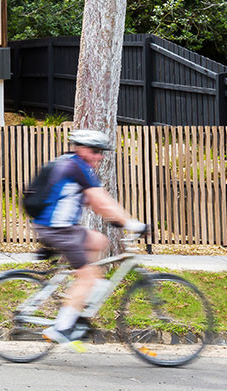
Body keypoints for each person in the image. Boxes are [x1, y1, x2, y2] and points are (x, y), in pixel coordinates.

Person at [31, 129, 145, 346]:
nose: (99, 156)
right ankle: (62, 328)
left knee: (100, 241)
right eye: (95, 150)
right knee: (88, 276)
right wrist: (131, 223)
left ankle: (82, 290)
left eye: (100, 151)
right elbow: (100, 200)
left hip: (59, 227)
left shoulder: (72, 164)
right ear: (81, 148)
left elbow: (94, 202)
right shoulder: (77, 167)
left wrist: (115, 218)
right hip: (57, 229)